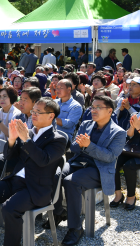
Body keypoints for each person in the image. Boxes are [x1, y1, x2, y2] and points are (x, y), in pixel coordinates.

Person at [0, 98, 66, 246]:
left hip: (35, 187)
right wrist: (11, 140)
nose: (33, 114)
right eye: (33, 111)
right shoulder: (27, 132)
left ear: (51, 116)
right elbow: (9, 157)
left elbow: (43, 160)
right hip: (15, 180)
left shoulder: (58, 139)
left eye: (38, 112)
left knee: (9, 209)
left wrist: (26, 140)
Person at [47, 96, 125, 246]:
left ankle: (75, 228)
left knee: (71, 181)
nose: (93, 110)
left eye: (98, 107)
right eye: (92, 107)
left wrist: (88, 146)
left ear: (110, 111)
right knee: (55, 173)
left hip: (99, 169)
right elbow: (73, 147)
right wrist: (81, 145)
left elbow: (109, 157)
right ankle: (58, 212)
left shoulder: (118, 132)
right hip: (79, 162)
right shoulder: (87, 124)